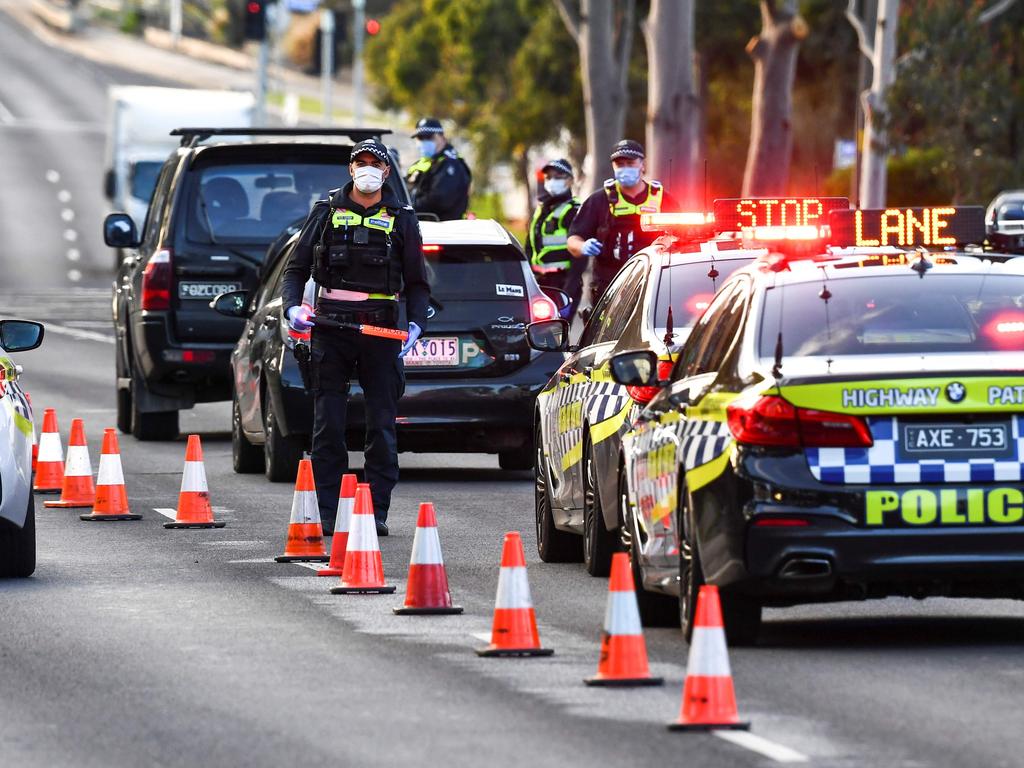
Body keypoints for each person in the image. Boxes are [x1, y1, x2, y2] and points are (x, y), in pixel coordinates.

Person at [281, 138, 430, 537]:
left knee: (381, 424)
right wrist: (293, 308)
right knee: (327, 424)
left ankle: (375, 510)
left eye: (374, 164)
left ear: (385, 172)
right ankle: (328, 512)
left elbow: (418, 283)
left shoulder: (402, 217)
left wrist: (416, 324)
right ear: (350, 169)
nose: (366, 169)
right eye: (359, 162)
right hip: (331, 328)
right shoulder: (326, 212)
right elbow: (295, 270)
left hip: (380, 330)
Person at [567, 140, 679, 306]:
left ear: (643, 165)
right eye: (620, 164)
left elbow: (683, 235)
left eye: (630, 163)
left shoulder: (663, 199)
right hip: (608, 284)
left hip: (654, 281)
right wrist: (583, 246)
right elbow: (572, 240)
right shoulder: (599, 200)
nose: (625, 168)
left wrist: (670, 242)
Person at [525, 159, 584, 318]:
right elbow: (530, 246)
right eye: (549, 177)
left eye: (558, 177)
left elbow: (580, 255)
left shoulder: (573, 211)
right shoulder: (542, 210)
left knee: (557, 334)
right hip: (539, 283)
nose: (552, 181)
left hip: (562, 282)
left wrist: (568, 289)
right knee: (538, 333)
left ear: (570, 180)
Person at [404, 117, 472, 221]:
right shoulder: (423, 163)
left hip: (442, 228)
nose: (423, 142)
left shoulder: (451, 164)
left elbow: (438, 200)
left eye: (428, 137)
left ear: (441, 137)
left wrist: (406, 207)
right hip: (420, 224)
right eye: (420, 138)